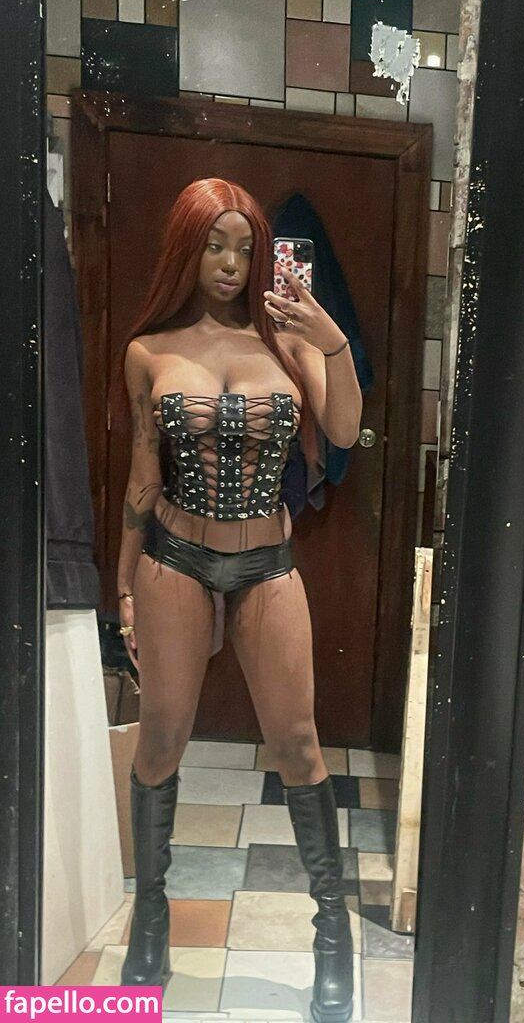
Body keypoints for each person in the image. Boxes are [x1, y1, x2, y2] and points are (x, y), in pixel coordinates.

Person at [115, 178, 361, 1023]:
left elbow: (344, 431)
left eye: (244, 248)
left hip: (267, 561)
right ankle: (151, 924)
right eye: (214, 245)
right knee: (162, 737)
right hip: (174, 558)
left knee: (297, 743)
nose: (229, 263)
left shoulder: (289, 343)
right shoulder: (150, 351)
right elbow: (143, 477)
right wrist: (123, 584)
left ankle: (332, 939)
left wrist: (332, 342)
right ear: (187, 250)